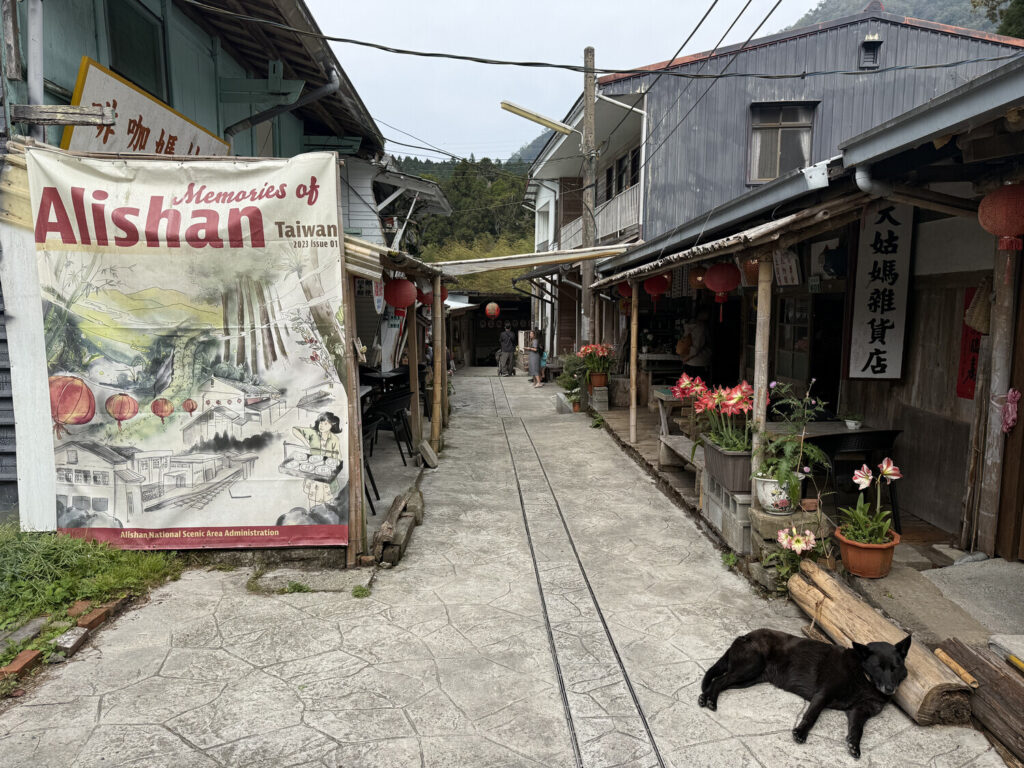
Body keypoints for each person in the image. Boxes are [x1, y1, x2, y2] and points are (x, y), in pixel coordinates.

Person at [291, 411, 343, 510]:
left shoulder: (334, 439)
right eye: (320, 423)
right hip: (313, 472)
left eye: (325, 423)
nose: (322, 426)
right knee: (312, 499)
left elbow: (338, 456)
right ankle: (313, 514)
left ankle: (325, 514)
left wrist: (334, 464)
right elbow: (295, 429)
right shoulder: (313, 433)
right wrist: (306, 443)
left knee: (327, 501)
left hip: (326, 473)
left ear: (332, 425)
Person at [679, 308, 712, 379]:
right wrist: (687, 358)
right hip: (698, 361)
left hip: (689, 360)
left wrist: (685, 358)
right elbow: (696, 347)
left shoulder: (688, 326)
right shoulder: (700, 327)